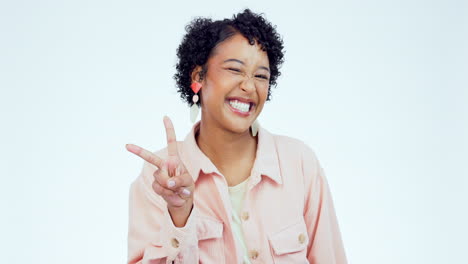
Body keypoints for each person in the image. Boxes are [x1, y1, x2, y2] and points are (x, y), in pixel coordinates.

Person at [125, 9, 347, 264]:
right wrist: (180, 214)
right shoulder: (161, 177)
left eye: (261, 76)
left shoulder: (299, 162)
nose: (249, 86)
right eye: (235, 69)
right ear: (198, 77)